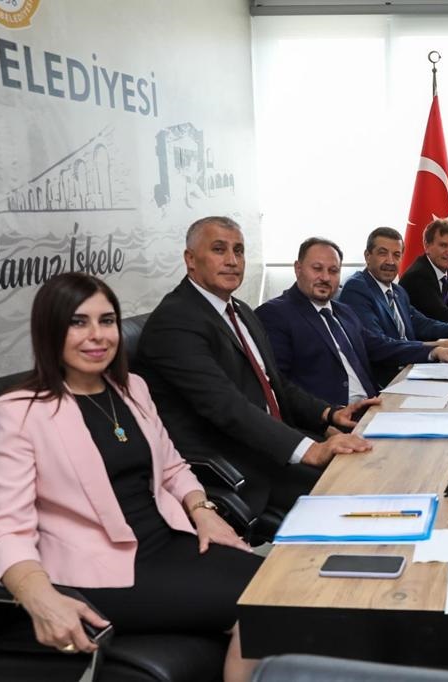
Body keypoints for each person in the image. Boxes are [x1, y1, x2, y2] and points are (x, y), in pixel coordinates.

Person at [0, 273, 261, 682]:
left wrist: (202, 510)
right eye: (78, 322)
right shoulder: (17, 412)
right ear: (49, 330)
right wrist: (37, 594)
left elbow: (172, 466)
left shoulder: (133, 389)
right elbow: (5, 528)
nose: (97, 335)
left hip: (169, 541)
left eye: (107, 320)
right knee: (264, 605)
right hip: (100, 572)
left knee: (283, 587)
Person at [136, 217, 373, 516]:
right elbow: (226, 406)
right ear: (190, 259)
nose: (232, 261)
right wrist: (310, 450)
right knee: (357, 493)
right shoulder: (175, 321)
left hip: (273, 443)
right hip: (237, 466)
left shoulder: (240, 311)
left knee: (368, 464)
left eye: (239, 250)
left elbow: (275, 384)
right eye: (219, 249)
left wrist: (329, 413)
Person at [256, 237, 448, 405]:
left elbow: (379, 345)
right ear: (298, 268)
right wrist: (327, 418)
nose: (325, 277)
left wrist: (434, 351)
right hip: (334, 420)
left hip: (373, 405)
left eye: (333, 270)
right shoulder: (276, 314)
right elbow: (280, 388)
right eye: (317, 268)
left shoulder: (343, 312)